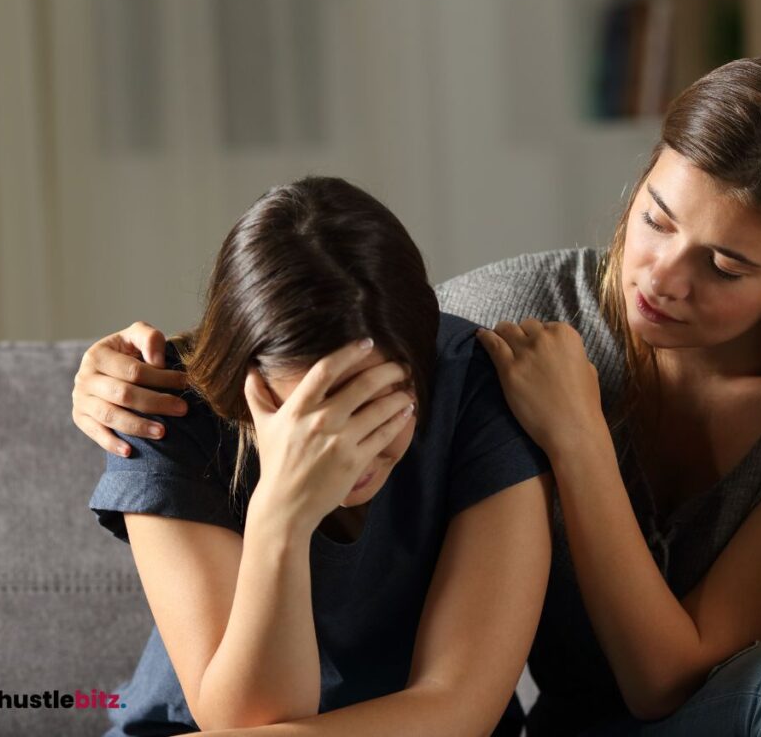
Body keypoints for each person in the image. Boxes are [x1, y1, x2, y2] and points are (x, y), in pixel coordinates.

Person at [73, 55, 761, 736]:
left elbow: (665, 681)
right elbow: (349, 315)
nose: (662, 277)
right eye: (655, 216)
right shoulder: (507, 320)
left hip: (734, 720)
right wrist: (110, 373)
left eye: (725, 265)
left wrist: (576, 438)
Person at [78, 175, 553, 736]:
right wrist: (282, 513)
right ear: (246, 383)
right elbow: (246, 719)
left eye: (376, 407)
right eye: (312, 415)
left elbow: (458, 708)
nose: (348, 452)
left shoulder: (476, 386)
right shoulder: (163, 411)